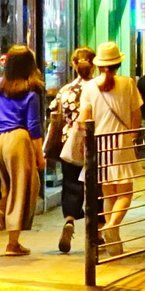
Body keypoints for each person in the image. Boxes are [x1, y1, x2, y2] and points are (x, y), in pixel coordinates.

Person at [66, 42, 141, 255]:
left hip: (99, 144)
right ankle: (111, 227)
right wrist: (133, 136)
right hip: (122, 142)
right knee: (126, 192)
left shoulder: (89, 87)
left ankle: (113, 243)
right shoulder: (128, 84)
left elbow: (84, 119)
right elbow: (136, 115)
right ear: (118, 63)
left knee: (108, 195)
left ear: (98, 64)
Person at [0, 47, 45, 257]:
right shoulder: (31, 91)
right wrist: (40, 155)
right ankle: (13, 243)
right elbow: (34, 126)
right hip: (19, 140)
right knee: (21, 190)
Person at [45, 46, 94, 254]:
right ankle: (98, 232)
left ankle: (70, 220)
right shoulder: (97, 89)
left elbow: (53, 113)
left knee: (71, 184)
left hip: (69, 144)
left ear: (74, 65)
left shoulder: (65, 90)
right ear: (94, 65)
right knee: (96, 186)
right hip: (94, 143)